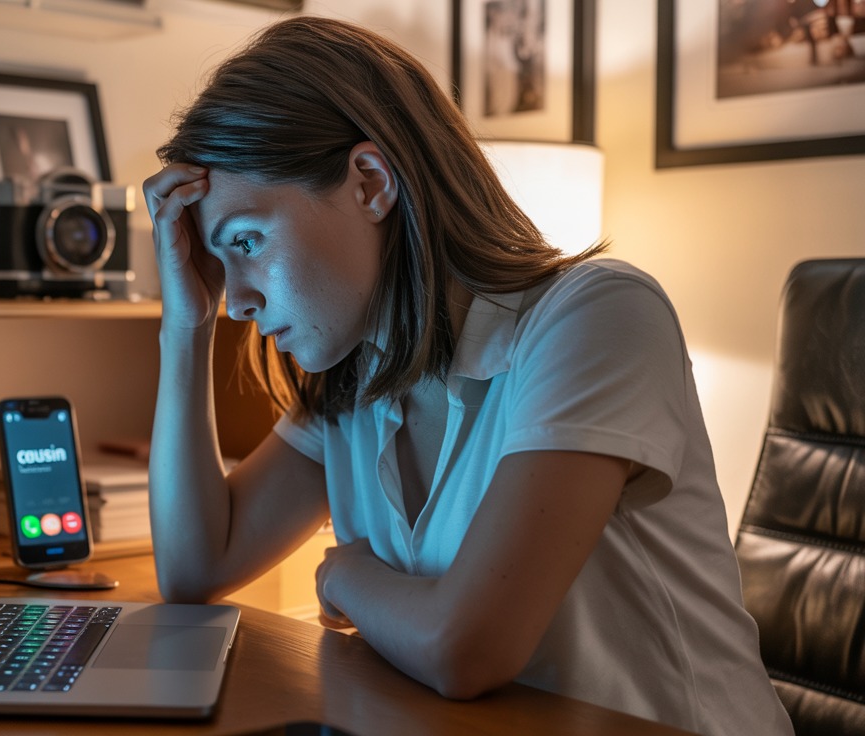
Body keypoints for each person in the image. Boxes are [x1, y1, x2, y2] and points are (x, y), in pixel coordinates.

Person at [141, 16, 792, 736]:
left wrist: (344, 576)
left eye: (247, 242)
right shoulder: (357, 376)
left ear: (370, 181)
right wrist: (184, 324)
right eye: (218, 264)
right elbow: (196, 568)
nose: (238, 300)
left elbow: (465, 648)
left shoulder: (598, 317)